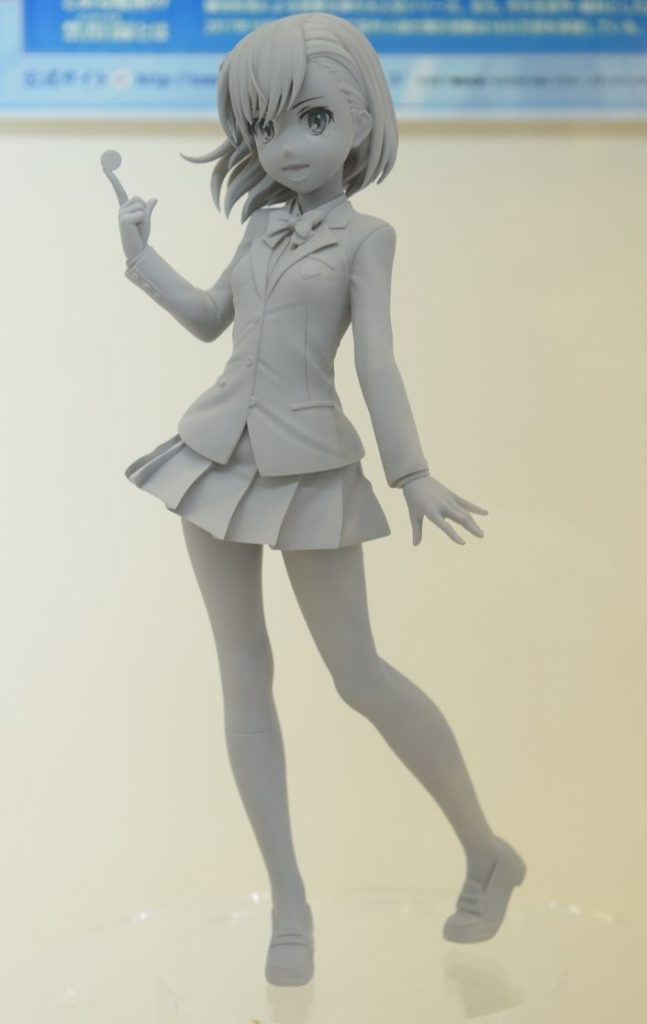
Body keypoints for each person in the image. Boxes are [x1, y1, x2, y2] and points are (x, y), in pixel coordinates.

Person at [111, 12, 525, 987]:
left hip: (307, 466)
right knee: (242, 673)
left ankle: (485, 850)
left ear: (359, 122)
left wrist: (409, 469)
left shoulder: (368, 239)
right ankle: (288, 902)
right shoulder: (258, 228)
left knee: (357, 673)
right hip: (213, 455)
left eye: (311, 118)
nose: (284, 146)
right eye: (264, 127)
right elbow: (209, 319)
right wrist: (139, 255)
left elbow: (376, 359)